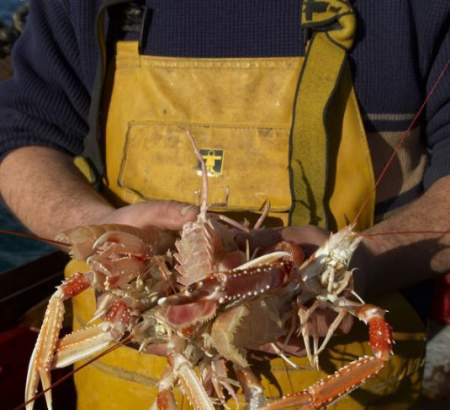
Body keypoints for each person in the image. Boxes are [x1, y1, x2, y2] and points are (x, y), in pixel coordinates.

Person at [0, 0, 449, 409]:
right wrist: (95, 227)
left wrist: (363, 262)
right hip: (122, 376)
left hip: (342, 374)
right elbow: (23, 133)